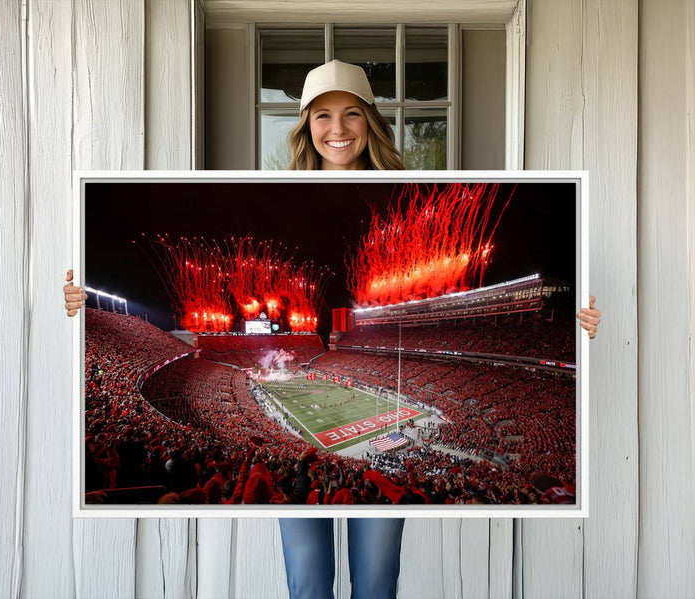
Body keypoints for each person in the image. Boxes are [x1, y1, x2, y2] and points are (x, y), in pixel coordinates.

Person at [63, 60, 601, 599]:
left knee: (375, 582)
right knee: (309, 582)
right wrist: (70, 311)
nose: (337, 129)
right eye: (322, 115)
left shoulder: (408, 182)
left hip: (369, 484)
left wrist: (582, 324)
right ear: (304, 125)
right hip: (306, 489)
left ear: (371, 121)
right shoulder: (270, 182)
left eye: (351, 115)